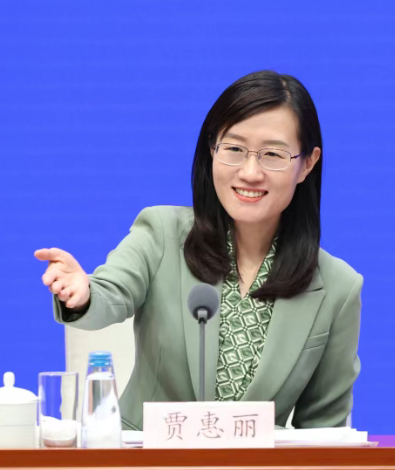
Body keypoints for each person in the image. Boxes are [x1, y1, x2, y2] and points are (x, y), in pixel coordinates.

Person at [35, 70, 362, 431]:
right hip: (145, 457)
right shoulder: (161, 233)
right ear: (212, 149)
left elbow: (324, 434)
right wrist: (84, 295)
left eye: (272, 154)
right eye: (234, 149)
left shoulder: (338, 288)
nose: (250, 172)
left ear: (307, 163)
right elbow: (111, 292)